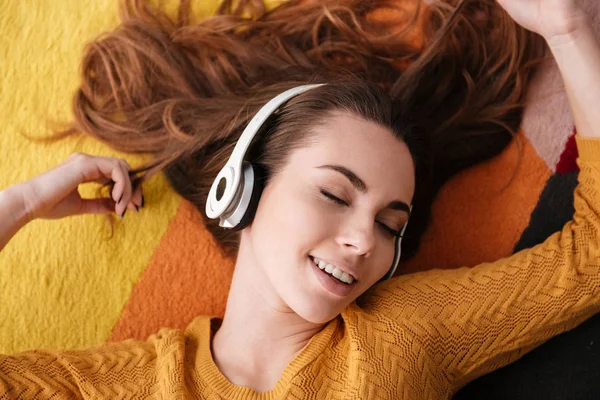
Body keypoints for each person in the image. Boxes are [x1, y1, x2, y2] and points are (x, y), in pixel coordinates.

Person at [1, 0, 599, 398]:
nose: (365, 241)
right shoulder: (134, 385)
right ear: (244, 188)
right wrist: (20, 203)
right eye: (335, 193)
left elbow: (590, 259)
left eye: (392, 224)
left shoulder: (400, 340)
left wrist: (568, 31)